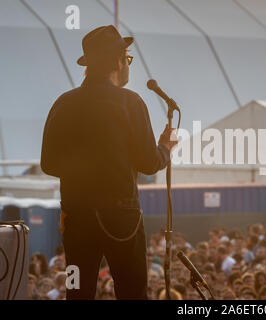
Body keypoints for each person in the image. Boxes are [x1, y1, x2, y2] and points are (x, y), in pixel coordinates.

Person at [41, 25, 177, 299]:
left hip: (76, 220)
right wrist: (165, 147)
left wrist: (82, 170)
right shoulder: (130, 102)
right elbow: (149, 163)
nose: (128, 65)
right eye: (128, 59)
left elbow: (48, 164)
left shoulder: (63, 103)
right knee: (132, 291)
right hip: (122, 218)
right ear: (117, 61)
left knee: (76, 289)